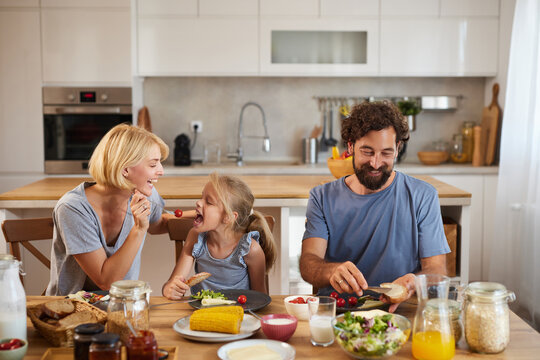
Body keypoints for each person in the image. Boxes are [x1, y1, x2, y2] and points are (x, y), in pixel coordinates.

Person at [299, 100, 450, 311]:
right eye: (367, 152)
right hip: (341, 312)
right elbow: (308, 263)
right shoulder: (321, 197)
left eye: (386, 153)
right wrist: (331, 271)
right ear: (351, 146)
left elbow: (437, 270)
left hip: (400, 312)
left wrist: (414, 282)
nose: (376, 163)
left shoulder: (423, 196)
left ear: (398, 149)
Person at [46, 123, 172, 295]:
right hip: (70, 311)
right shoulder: (72, 208)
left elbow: (158, 223)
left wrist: (202, 216)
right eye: (153, 165)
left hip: (122, 306)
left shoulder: (144, 192)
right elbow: (106, 281)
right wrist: (139, 229)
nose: (161, 171)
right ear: (125, 169)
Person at [162, 173, 276, 299]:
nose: (198, 202)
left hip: (239, 315)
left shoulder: (250, 250)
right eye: (201, 197)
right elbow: (171, 283)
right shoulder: (195, 237)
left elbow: (260, 299)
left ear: (228, 217)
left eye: (209, 202)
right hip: (202, 314)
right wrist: (169, 289)